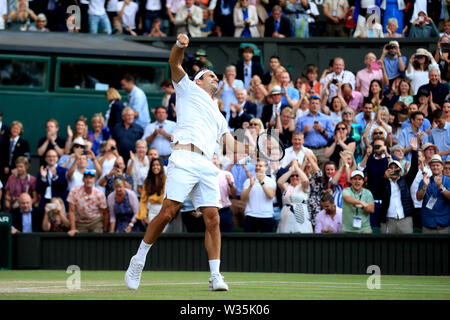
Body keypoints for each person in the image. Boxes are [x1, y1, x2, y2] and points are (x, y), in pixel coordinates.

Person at [125, 34, 249, 292]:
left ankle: (215, 275)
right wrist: (180, 46)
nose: (215, 77)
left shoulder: (219, 114)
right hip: (183, 156)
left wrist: (254, 147)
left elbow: (229, 144)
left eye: (216, 76)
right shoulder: (187, 88)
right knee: (168, 211)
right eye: (210, 75)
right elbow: (174, 63)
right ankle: (139, 259)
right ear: (198, 80)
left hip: (206, 164)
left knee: (212, 217)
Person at [378, 138, 418, 233]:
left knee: (407, 246)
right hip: (388, 219)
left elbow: (414, 169)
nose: (393, 170)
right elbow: (378, 191)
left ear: (400, 172)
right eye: (390, 168)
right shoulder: (384, 182)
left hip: (405, 218)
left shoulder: (405, 180)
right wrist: (384, 178)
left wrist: (414, 151)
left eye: (396, 168)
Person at [67, 169, 109, 236]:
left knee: (96, 237)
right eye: (86, 178)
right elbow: (71, 211)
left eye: (91, 178)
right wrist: (73, 228)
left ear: (94, 180)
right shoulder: (74, 191)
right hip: (80, 222)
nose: (88, 180)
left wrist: (105, 230)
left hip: (95, 221)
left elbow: (105, 212)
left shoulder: (99, 194)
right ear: (83, 179)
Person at [296, 95, 334, 167]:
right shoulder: (301, 119)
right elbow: (296, 136)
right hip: (307, 150)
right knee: (307, 172)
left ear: (320, 105)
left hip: (322, 150)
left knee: (324, 173)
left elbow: (331, 136)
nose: (314, 105)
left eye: (317, 103)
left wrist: (322, 130)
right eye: (313, 103)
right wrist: (304, 131)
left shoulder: (327, 119)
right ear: (309, 105)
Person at [416, 154, 450, 233]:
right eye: (433, 165)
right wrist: (424, 186)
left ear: (442, 167)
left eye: (437, 165)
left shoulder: (448, 180)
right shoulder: (425, 180)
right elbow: (418, 198)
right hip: (428, 223)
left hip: (444, 223)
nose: (435, 167)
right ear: (430, 167)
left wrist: (441, 187)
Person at [241, 158, 276, 232]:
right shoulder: (248, 181)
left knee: (267, 243)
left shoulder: (271, 181)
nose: (258, 167)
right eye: (256, 165)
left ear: (266, 168)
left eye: (260, 166)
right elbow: (243, 198)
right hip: (250, 215)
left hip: (267, 216)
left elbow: (271, 196)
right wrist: (250, 186)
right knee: (249, 242)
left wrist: (261, 182)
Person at [276, 159, 312, 233]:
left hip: (300, 216)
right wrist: (291, 170)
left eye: (297, 175)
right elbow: (279, 182)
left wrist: (297, 167)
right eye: (292, 176)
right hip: (286, 217)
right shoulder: (286, 186)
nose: (294, 177)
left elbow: (305, 180)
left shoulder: (303, 186)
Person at [213, 154, 236, 232]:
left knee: (227, 236)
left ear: (219, 161)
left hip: (225, 210)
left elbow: (234, 194)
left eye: (215, 158)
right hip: (211, 210)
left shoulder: (227, 174)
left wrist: (231, 184)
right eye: (211, 159)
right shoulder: (205, 175)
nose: (213, 161)